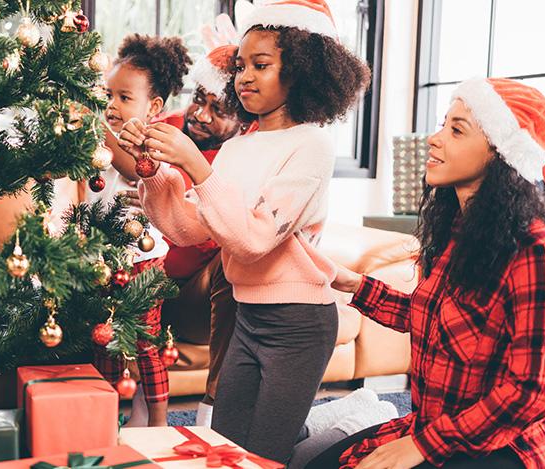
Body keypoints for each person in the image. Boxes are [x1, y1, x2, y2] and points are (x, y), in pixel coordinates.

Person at [118, 0, 371, 461]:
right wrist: (154, 171)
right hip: (249, 319)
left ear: (299, 71)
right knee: (230, 451)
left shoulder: (311, 145)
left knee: (267, 457)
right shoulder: (238, 148)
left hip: (298, 325)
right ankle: (324, 422)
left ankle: (355, 425)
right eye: (240, 66)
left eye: (261, 65)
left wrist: (195, 163)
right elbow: (193, 229)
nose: (244, 77)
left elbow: (252, 241)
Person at [317, 78, 545, 468]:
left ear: (500, 154)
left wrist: (421, 447)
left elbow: (531, 391)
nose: (434, 139)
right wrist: (353, 285)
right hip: (433, 426)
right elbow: (430, 318)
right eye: (442, 125)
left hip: (500, 448)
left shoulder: (535, 252)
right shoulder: (457, 230)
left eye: (456, 130)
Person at [111, 43, 245, 427]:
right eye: (198, 100)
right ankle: (129, 408)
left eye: (217, 110)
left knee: (231, 262)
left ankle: (213, 410)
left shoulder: (234, 159)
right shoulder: (166, 125)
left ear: (242, 121)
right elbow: (133, 158)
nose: (200, 114)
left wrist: (153, 187)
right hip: (138, 279)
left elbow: (193, 222)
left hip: (191, 298)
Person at [89, 33, 192, 428]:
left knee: (145, 343)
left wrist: (100, 132)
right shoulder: (105, 141)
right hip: (102, 258)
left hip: (142, 260)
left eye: (124, 97)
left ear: (154, 107)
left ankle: (160, 421)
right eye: (107, 94)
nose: (111, 105)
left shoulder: (151, 141)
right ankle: (111, 417)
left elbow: (135, 170)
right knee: (107, 341)